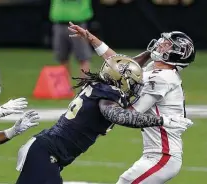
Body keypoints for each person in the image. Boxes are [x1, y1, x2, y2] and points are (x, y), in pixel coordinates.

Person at [15, 54, 193, 184]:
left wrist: (147, 53)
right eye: (132, 81)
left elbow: (123, 67)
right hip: (46, 153)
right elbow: (116, 115)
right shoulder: (108, 94)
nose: (134, 85)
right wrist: (161, 121)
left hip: (46, 150)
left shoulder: (102, 84)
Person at [68, 23, 195, 183]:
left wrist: (106, 100)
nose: (161, 44)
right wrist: (92, 39)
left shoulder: (163, 78)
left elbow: (131, 113)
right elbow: (120, 65)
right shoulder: (157, 71)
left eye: (167, 45)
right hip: (157, 153)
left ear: (175, 55)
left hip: (164, 155)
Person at [50, 0, 93, 77]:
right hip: (59, 22)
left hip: (78, 23)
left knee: (83, 58)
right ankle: (65, 88)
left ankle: (85, 88)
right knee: (62, 58)